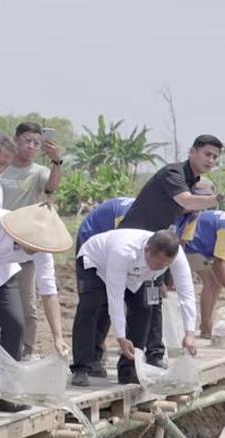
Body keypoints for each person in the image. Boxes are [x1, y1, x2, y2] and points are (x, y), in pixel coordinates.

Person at [117, 135, 224, 367]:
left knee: (153, 300)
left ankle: (154, 354)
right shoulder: (173, 174)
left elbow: (182, 221)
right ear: (192, 152)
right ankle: (91, 363)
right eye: (207, 154)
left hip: (158, 249)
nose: (211, 160)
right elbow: (186, 201)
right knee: (113, 304)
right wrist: (218, 198)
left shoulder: (193, 182)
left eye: (215, 157)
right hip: (132, 245)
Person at [0, 204, 72, 410]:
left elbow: (48, 290)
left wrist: (58, 337)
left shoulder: (42, 249)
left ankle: (6, 392)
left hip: (2, 273)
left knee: (16, 325)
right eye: (32, 245)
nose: (35, 251)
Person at [72, 229, 197, 385]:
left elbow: (187, 293)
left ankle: (129, 369)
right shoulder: (123, 252)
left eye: (166, 265)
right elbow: (115, 297)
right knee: (92, 306)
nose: (160, 268)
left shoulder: (177, 256)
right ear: (147, 250)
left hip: (137, 275)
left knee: (144, 308)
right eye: (158, 263)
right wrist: (121, 337)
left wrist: (189, 333)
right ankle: (81, 367)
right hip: (96, 263)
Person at [0, 122, 65, 359]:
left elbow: (52, 188)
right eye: (27, 140)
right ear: (15, 139)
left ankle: (26, 349)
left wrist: (57, 162)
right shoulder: (2, 167)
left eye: (37, 143)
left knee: (28, 303)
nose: (31, 146)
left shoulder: (38, 172)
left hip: (27, 242)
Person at [73, 196, 136, 376]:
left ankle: (95, 356)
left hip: (115, 251)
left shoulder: (180, 215)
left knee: (108, 303)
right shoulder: (128, 214)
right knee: (91, 303)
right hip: (92, 248)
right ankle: (81, 365)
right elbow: (118, 247)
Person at [180, 208, 225, 337]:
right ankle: (205, 326)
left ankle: (206, 323)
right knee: (211, 282)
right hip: (191, 245)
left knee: (217, 282)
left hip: (203, 245)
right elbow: (218, 263)